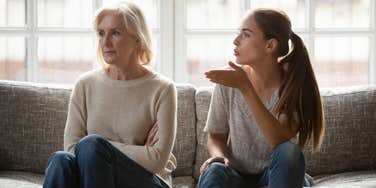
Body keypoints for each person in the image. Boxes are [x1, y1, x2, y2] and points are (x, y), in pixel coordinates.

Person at [43, 2, 176, 188]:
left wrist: (98, 148)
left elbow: (156, 160)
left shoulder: (163, 89)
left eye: (115, 33)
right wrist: (137, 151)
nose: (105, 43)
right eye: (101, 33)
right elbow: (72, 149)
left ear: (137, 38)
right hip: (93, 177)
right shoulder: (85, 84)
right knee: (60, 161)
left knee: (90, 145)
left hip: (146, 181)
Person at [198, 8, 325, 188]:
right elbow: (216, 136)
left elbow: (278, 140)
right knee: (214, 169)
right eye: (238, 34)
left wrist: (245, 87)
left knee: (289, 151)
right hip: (235, 175)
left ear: (270, 45)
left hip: (275, 176)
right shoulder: (229, 81)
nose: (236, 40)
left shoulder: (294, 86)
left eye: (246, 35)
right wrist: (218, 156)